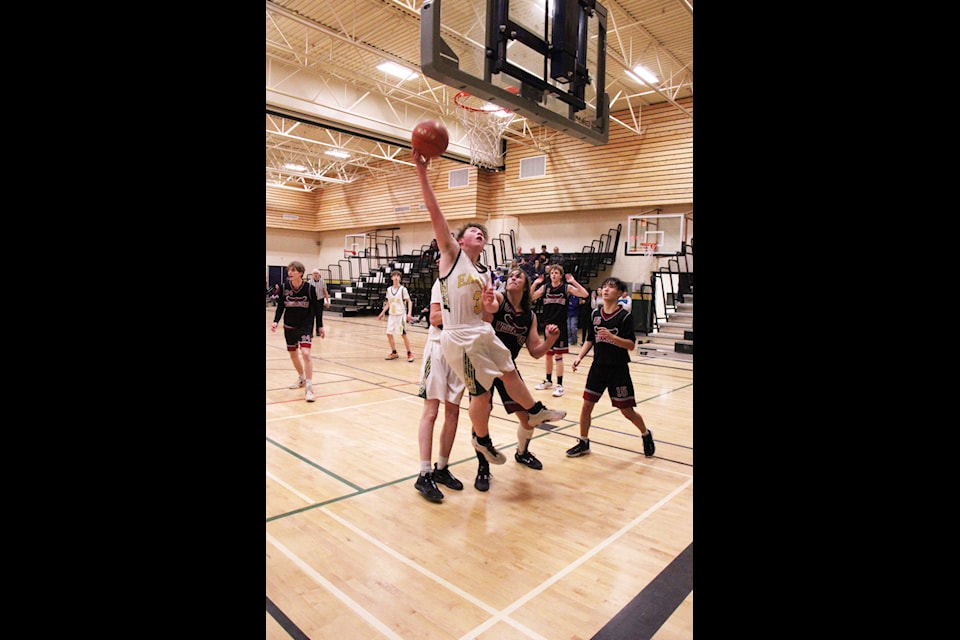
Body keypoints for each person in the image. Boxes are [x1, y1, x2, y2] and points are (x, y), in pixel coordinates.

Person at [414, 148, 566, 467]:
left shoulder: (485, 273)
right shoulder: (451, 256)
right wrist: (422, 172)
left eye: (483, 233)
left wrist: (491, 301)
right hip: (458, 337)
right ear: (460, 240)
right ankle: (481, 441)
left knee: (508, 367)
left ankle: (536, 411)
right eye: (473, 231)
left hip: (481, 329)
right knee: (482, 393)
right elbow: (434, 212)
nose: (479, 233)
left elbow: (491, 311)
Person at [474, 268, 560, 491]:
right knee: (481, 417)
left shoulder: (530, 317)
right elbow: (490, 308)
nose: (513, 277)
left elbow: (536, 351)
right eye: (510, 275)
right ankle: (483, 467)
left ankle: (522, 453)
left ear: (525, 285)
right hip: (485, 365)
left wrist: (550, 340)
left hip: (508, 368)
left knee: (528, 419)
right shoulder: (500, 300)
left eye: (518, 276)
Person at [566, 277, 655, 459]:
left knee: (627, 411)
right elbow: (590, 339)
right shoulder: (595, 315)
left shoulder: (625, 317)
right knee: (586, 406)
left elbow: (631, 345)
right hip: (598, 368)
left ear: (621, 294)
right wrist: (579, 357)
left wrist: (613, 338)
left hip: (618, 370)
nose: (606, 289)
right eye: (604, 286)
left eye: (611, 287)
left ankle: (646, 434)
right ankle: (583, 442)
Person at [414, 279, 465, 502]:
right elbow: (434, 318)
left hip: (461, 350)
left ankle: (441, 468)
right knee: (431, 412)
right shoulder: (442, 283)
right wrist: (465, 316)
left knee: (453, 412)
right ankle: (424, 473)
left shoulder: (476, 280)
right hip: (437, 348)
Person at [530, 264, 589, 398]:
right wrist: (535, 284)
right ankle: (549, 380)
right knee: (548, 355)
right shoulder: (545, 288)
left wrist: (573, 281)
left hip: (560, 325)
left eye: (556, 273)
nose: (554, 275)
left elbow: (584, 294)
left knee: (558, 356)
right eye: (552, 273)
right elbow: (530, 298)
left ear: (561, 275)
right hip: (547, 326)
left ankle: (560, 385)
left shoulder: (566, 288)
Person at [270, 260, 319, 402]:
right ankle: (302, 378)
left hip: (305, 325)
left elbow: (316, 309)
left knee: (306, 353)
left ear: (301, 273)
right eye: (289, 270)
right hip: (289, 326)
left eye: (293, 270)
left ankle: (309, 387)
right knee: (293, 354)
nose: (289, 273)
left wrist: (319, 326)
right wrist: (275, 321)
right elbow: (280, 307)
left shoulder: (309, 288)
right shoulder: (285, 287)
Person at [377, 270, 414, 362]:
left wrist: (409, 313)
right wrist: (382, 312)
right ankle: (394, 352)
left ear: (400, 278)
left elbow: (409, 301)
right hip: (392, 315)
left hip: (401, 315)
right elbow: (389, 303)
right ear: (392, 278)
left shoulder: (403, 289)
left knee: (403, 334)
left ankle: (409, 352)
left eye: (398, 276)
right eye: (394, 276)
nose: (396, 277)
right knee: (389, 333)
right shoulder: (389, 290)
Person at [310, 269, 331, 338]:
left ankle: (318, 331)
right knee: (311, 317)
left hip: (320, 300)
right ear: (312, 275)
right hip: (312, 301)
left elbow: (325, 292)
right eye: (314, 274)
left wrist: (327, 301)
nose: (315, 275)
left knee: (319, 316)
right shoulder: (310, 282)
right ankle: (310, 332)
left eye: (317, 273)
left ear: (319, 275)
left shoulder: (322, 281)